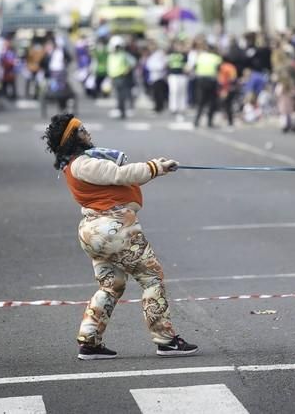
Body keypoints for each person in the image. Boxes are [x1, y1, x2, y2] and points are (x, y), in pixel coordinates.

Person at [42, 114, 198, 360]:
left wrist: (156, 169)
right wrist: (156, 167)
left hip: (94, 232)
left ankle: (90, 342)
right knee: (151, 277)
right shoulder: (84, 164)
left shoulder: (72, 165)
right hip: (115, 228)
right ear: (73, 137)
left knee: (110, 285)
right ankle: (165, 340)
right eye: (82, 129)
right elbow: (120, 174)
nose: (88, 132)